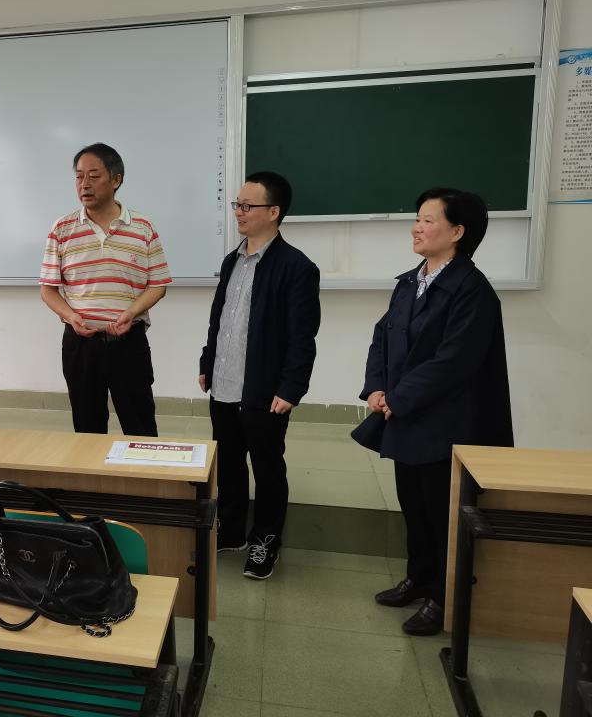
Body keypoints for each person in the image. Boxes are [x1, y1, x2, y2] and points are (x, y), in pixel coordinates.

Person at [354, 188, 513, 636]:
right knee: (414, 507)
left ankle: (445, 598)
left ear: (457, 231)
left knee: (444, 514)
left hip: (448, 425)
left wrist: (398, 397)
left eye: (428, 220)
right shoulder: (411, 281)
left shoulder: (472, 291)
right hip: (407, 417)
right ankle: (419, 579)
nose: (416, 228)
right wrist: (377, 387)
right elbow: (383, 336)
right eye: (417, 219)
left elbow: (454, 362)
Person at [199, 172, 320, 580]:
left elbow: (303, 337)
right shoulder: (231, 261)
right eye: (237, 204)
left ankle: (266, 540)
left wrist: (291, 388)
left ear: (273, 212)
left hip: (265, 390)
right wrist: (207, 361)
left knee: (268, 468)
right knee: (229, 464)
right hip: (224, 383)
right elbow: (219, 320)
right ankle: (232, 530)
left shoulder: (297, 267)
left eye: (247, 206)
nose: (239, 212)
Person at [40, 143, 171, 436]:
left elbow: (158, 285)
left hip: (129, 342)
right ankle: (92, 470)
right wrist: (71, 317)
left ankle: (141, 468)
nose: (84, 184)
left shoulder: (143, 227)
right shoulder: (62, 228)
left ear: (116, 180)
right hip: (80, 345)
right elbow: (48, 290)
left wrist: (131, 313)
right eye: (79, 176)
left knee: (140, 427)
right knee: (87, 429)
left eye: (94, 176)